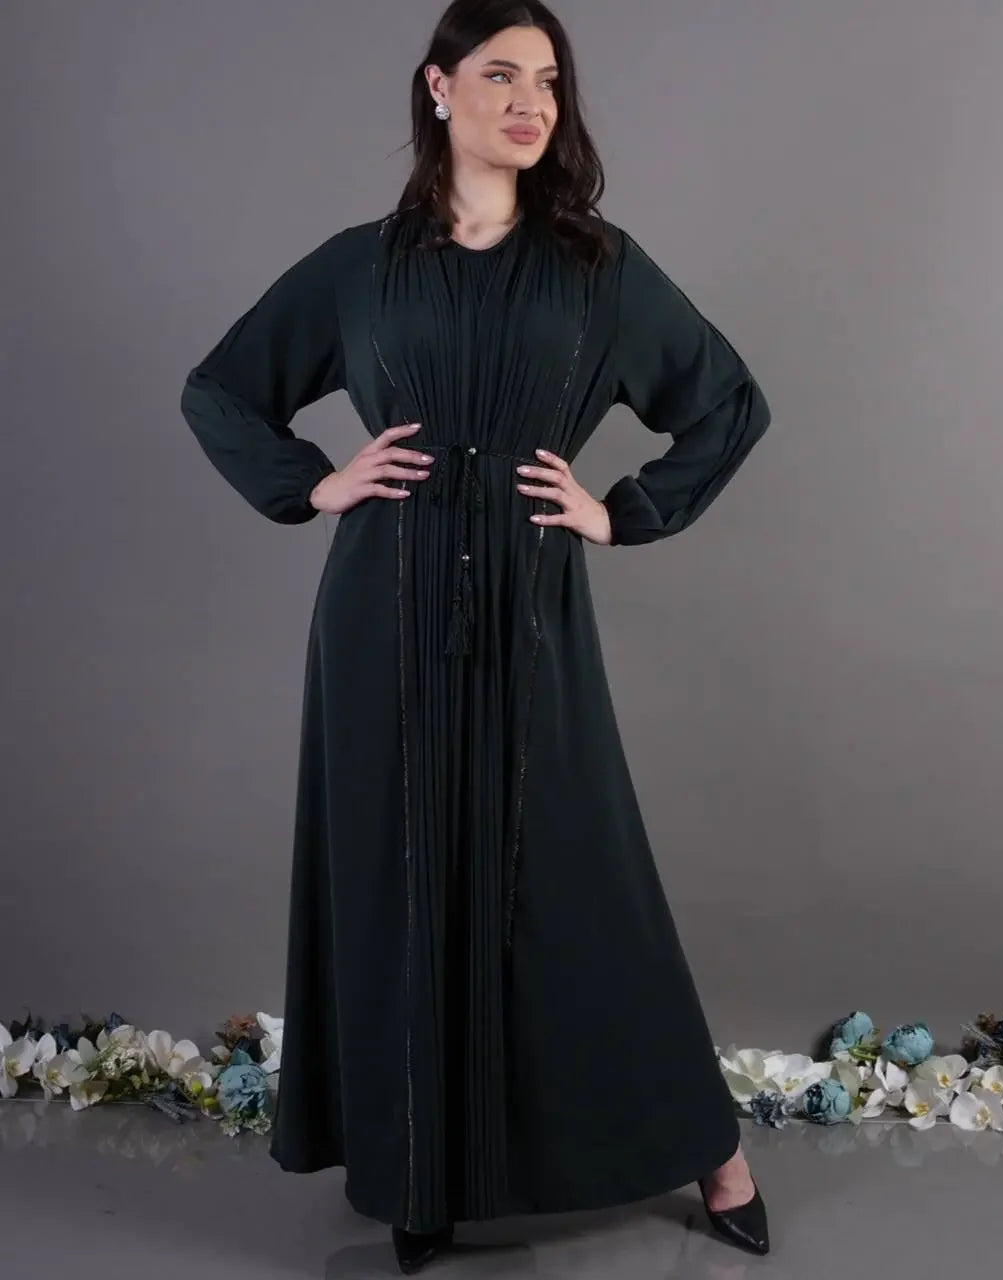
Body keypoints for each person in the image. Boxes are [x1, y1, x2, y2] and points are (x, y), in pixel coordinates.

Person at [180, 0, 773, 1272]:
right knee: (398, 883)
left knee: (582, 883)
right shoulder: (357, 267)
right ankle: (421, 1172)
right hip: (379, 617)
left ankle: (711, 1148)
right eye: (500, 74)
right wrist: (314, 482)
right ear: (437, 87)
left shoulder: (597, 267)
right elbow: (221, 388)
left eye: (548, 80)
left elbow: (726, 402)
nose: (530, 102)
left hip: (528, 608)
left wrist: (619, 512)